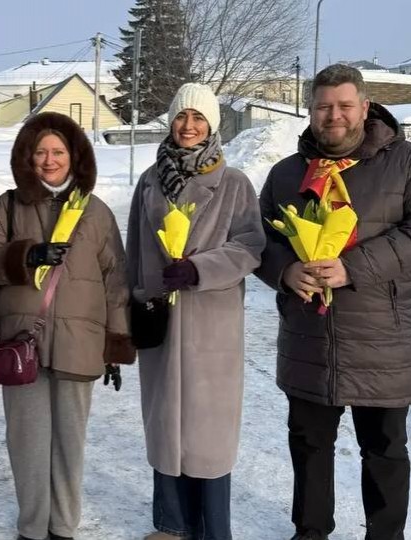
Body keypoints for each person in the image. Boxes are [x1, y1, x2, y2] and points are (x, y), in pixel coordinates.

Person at [256, 64, 411, 540]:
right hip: (309, 337)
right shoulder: (286, 174)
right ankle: (310, 532)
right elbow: (258, 239)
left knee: (384, 451)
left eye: (345, 105)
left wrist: (354, 267)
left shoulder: (406, 161)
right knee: (309, 446)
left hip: (381, 337)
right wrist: (284, 271)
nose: (334, 115)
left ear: (365, 108)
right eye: (324, 106)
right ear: (310, 111)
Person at [0, 112, 135, 540]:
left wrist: (115, 344)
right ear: (27, 157)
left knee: (69, 442)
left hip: (79, 342)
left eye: (58, 151)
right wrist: (26, 255)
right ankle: (32, 527)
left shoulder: (96, 213)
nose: (49, 160)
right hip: (20, 341)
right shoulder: (7, 207)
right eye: (41, 152)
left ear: (74, 156)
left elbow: (116, 281)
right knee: (27, 442)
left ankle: (63, 526)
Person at [126, 83, 266, 540]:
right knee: (165, 428)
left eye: (199, 117)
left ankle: (211, 530)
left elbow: (250, 245)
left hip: (211, 327)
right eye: (182, 116)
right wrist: (130, 304)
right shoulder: (150, 180)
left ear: (213, 125)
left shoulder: (234, 183)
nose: (189, 126)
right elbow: (134, 249)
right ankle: (171, 525)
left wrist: (199, 268)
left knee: (208, 437)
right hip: (160, 321)